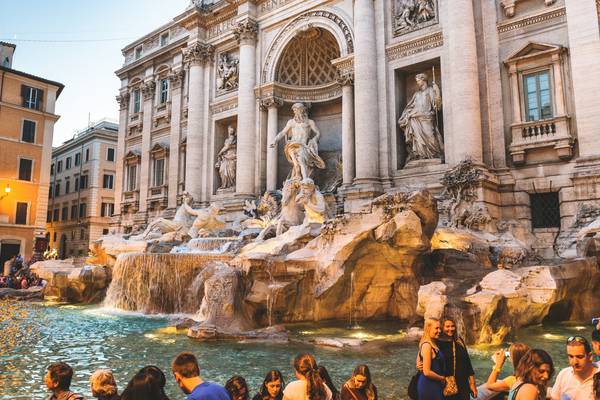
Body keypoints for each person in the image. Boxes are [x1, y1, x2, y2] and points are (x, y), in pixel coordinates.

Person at [269, 103, 325, 181]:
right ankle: (298, 178)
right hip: (292, 145)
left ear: (303, 110)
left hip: (302, 145)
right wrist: (275, 141)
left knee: (301, 161)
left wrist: (314, 139)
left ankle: (305, 180)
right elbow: (283, 132)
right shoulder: (291, 122)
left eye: (299, 110)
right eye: (295, 110)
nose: (297, 112)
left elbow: (318, 133)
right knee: (296, 164)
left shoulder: (309, 122)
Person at [436, 317, 477, 399]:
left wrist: (472, 384)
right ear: (442, 327)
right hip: (447, 384)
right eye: (447, 326)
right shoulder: (437, 343)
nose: (450, 329)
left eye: (452, 326)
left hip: (463, 384)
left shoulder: (459, 341)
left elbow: (467, 363)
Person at [417, 318, 446, 400]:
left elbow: (418, 360)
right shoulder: (427, 345)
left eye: (440, 328)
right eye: (436, 328)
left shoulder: (432, 342)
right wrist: (442, 378)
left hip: (434, 383)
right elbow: (426, 372)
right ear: (428, 328)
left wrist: (419, 364)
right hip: (428, 385)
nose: (439, 331)